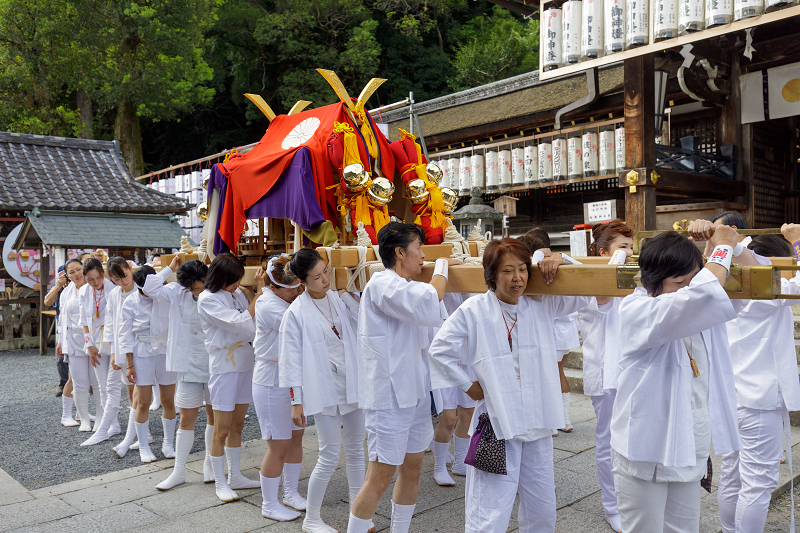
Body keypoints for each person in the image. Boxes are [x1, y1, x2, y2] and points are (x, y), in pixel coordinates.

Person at [428, 238, 592, 532]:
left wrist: (562, 260)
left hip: (537, 420)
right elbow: (439, 350)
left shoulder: (542, 302)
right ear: (491, 275)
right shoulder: (474, 310)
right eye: (507, 271)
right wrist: (468, 385)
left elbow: (586, 290)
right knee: (489, 508)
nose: (517, 278)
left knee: (541, 503)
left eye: (522, 269)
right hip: (496, 421)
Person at [610, 223, 758, 532]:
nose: (688, 289)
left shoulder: (695, 303)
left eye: (692, 280)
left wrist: (735, 245)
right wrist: (721, 248)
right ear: (652, 280)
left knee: (685, 528)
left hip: (688, 445)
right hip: (645, 449)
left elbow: (747, 278)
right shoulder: (636, 309)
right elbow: (701, 295)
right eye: (679, 282)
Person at [347, 222, 453, 533]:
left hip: (415, 392)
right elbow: (430, 297)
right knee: (380, 476)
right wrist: (445, 264)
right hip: (388, 397)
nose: (423, 256)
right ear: (399, 252)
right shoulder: (383, 283)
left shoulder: (406, 286)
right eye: (419, 248)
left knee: (413, 467)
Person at [717, 225, 800, 533]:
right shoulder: (771, 291)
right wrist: (797, 241)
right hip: (760, 399)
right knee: (757, 484)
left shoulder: (728, 286)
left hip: (730, 395)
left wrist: (735, 247)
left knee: (733, 474)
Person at [280, 248, 369, 532]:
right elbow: (290, 359)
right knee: (329, 454)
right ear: (303, 281)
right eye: (317, 277)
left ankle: (360, 512)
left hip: (351, 382)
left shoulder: (336, 297)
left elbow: (360, 325)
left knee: (356, 449)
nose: (324, 279)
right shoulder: (295, 312)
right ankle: (312, 518)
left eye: (325, 272)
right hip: (324, 386)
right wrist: (296, 401)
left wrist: (349, 296)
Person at [576, 219, 634, 532]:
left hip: (628, 368)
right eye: (622, 246)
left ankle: (629, 500)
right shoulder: (594, 279)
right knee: (607, 441)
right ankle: (612, 505)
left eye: (631, 246)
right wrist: (618, 259)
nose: (629, 252)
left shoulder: (630, 276)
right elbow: (604, 299)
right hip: (603, 369)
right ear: (603, 252)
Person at [197, 253, 264, 502]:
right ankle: (220, 482)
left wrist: (251, 295)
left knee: (238, 425)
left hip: (245, 360)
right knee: (221, 428)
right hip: (224, 365)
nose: (237, 284)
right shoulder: (207, 298)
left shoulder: (236, 294)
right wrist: (259, 294)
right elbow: (239, 322)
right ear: (220, 277)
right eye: (233, 280)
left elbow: (251, 324)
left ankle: (235, 475)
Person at [146, 256, 216, 489]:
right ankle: (179, 471)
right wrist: (170, 268)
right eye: (195, 287)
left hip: (215, 364)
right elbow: (149, 287)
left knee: (213, 416)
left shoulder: (216, 290)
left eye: (202, 283)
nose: (200, 289)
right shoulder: (176, 292)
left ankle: (210, 463)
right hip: (188, 365)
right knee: (186, 418)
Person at [252, 255, 306, 521]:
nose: (296, 291)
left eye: (298, 286)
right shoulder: (267, 305)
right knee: (278, 444)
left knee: (296, 436)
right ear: (273, 287)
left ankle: (291, 492)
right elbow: (299, 327)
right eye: (290, 288)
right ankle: (269, 503)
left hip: (292, 377)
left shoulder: (286, 299)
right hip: (270, 379)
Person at [119, 265, 178, 463]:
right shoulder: (129, 302)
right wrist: (129, 364)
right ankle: (144, 446)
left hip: (164, 349)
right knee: (143, 402)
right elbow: (125, 335)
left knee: (168, 400)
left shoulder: (165, 296)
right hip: (141, 352)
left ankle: (168, 443)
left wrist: (170, 269)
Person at [87, 257, 139, 454]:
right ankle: (107, 428)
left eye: (124, 276)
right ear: (111, 278)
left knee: (139, 392)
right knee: (120, 388)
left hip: (139, 348)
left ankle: (137, 434)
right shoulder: (115, 294)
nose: (122, 281)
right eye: (116, 279)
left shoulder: (140, 289)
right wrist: (109, 348)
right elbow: (110, 322)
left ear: (130, 269)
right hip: (120, 347)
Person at [430, 292, 477, 486]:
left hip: (469, 353)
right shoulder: (443, 275)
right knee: (449, 417)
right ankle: (439, 466)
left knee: (468, 413)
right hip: (445, 355)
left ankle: (460, 462)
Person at [58, 258, 98, 432]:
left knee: (96, 382)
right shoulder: (67, 291)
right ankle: (73, 416)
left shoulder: (94, 288)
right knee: (77, 380)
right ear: (67, 276)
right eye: (71, 272)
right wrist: (60, 340)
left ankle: (97, 416)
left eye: (78, 269)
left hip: (95, 341)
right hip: (74, 340)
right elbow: (62, 318)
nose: (76, 274)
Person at [78, 258, 117, 437]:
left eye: (98, 278)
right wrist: (89, 345)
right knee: (102, 385)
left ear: (103, 274)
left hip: (114, 340)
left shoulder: (113, 287)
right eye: (90, 280)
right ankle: (109, 420)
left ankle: (113, 422)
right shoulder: (84, 291)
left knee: (114, 384)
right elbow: (84, 320)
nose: (96, 283)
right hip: (94, 341)